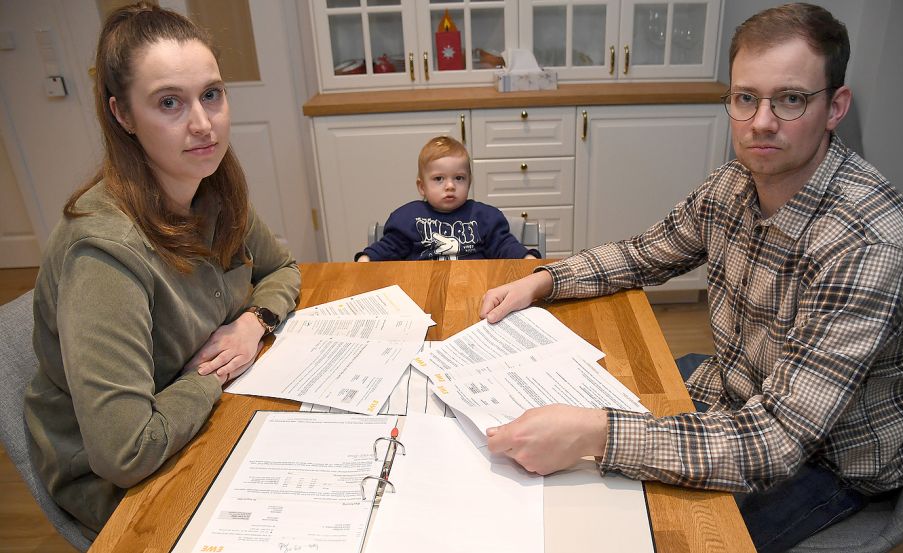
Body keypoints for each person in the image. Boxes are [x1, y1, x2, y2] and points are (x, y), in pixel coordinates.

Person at [477, 4, 903, 552]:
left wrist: (595, 433)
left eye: (790, 99)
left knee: (633, 535)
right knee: (567, 475)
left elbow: (777, 440)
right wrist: (545, 280)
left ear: (835, 107)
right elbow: (642, 255)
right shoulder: (733, 184)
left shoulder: (869, 243)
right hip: (737, 391)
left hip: (826, 459)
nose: (762, 122)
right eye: (746, 98)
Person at [24, 2, 301, 538]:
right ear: (123, 116)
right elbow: (125, 451)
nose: (202, 124)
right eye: (169, 103)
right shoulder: (103, 253)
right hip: (127, 487)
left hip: (195, 414)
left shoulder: (214, 189)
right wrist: (212, 374)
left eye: (212, 95)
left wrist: (253, 323)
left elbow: (281, 268)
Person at [355, 136, 541, 261]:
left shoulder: (485, 217)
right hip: (422, 289)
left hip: (476, 288)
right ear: (422, 187)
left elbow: (503, 245)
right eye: (438, 179)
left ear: (469, 182)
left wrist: (526, 258)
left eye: (459, 178)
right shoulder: (408, 217)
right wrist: (367, 258)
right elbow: (390, 247)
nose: (450, 186)